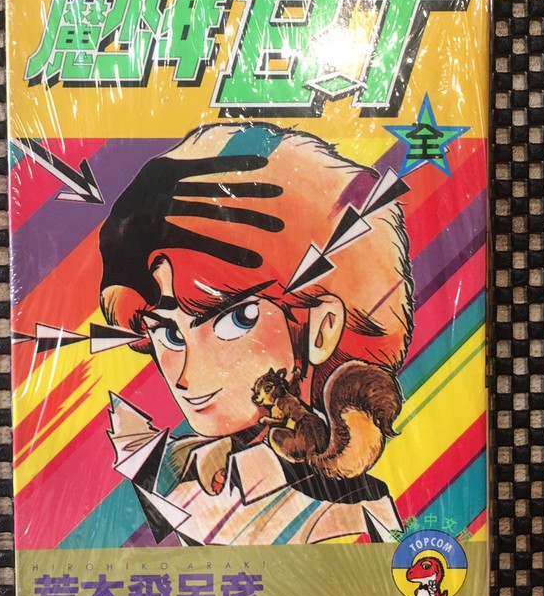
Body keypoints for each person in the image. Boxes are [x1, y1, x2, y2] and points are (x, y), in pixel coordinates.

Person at [98, 122, 414, 545]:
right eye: (168, 333)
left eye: (237, 320)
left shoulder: (343, 516)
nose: (187, 376)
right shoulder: (190, 472)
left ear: (322, 328)